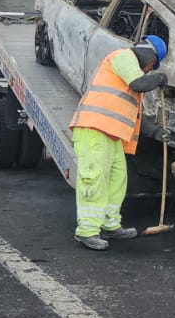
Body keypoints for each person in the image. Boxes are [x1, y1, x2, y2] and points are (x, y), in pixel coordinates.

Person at [69, 35, 167, 251]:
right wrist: (159, 79)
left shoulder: (131, 73)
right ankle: (87, 230)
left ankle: (110, 224)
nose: (151, 69)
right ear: (149, 54)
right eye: (153, 64)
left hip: (111, 135)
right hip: (94, 128)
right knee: (94, 179)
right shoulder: (123, 57)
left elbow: (136, 117)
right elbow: (139, 83)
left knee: (117, 180)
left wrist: (157, 132)